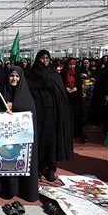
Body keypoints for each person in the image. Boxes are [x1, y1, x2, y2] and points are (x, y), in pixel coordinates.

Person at [0, 66, 39, 202]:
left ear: (21, 78)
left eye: (17, 76)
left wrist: (14, 107)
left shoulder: (25, 94)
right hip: (5, 138)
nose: (14, 79)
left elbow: (29, 112)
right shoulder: (2, 91)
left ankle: (22, 189)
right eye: (12, 76)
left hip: (20, 140)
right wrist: (4, 109)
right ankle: (5, 189)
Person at [25, 50, 73, 182]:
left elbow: (59, 92)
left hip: (52, 113)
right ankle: (38, 168)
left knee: (51, 141)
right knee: (38, 141)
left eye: (47, 57)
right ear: (37, 59)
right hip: (37, 113)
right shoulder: (31, 73)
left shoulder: (54, 73)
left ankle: (51, 168)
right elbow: (28, 90)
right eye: (42, 58)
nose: (45, 60)